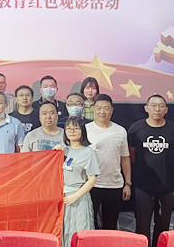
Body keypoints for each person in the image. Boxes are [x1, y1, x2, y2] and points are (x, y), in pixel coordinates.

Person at [128, 94, 174, 247]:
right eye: (153, 105)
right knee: (142, 224)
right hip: (143, 184)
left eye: (161, 106)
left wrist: (165, 165)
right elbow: (132, 154)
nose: (157, 109)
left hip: (167, 184)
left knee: (163, 224)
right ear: (146, 108)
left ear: (166, 109)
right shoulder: (135, 129)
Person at [85, 94, 131, 230]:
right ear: (94, 110)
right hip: (91, 184)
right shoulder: (85, 129)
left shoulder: (120, 131)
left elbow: (125, 158)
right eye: (99, 108)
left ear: (112, 110)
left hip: (114, 184)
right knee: (89, 224)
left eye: (106, 108)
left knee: (110, 225)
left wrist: (128, 183)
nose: (102, 111)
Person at [54, 117, 100, 247]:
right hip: (60, 198)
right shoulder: (62, 150)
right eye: (68, 128)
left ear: (82, 131)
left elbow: (92, 179)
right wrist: (53, 152)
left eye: (75, 128)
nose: (72, 131)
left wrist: (75, 196)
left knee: (78, 232)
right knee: (62, 233)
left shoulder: (88, 152)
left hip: (78, 198)